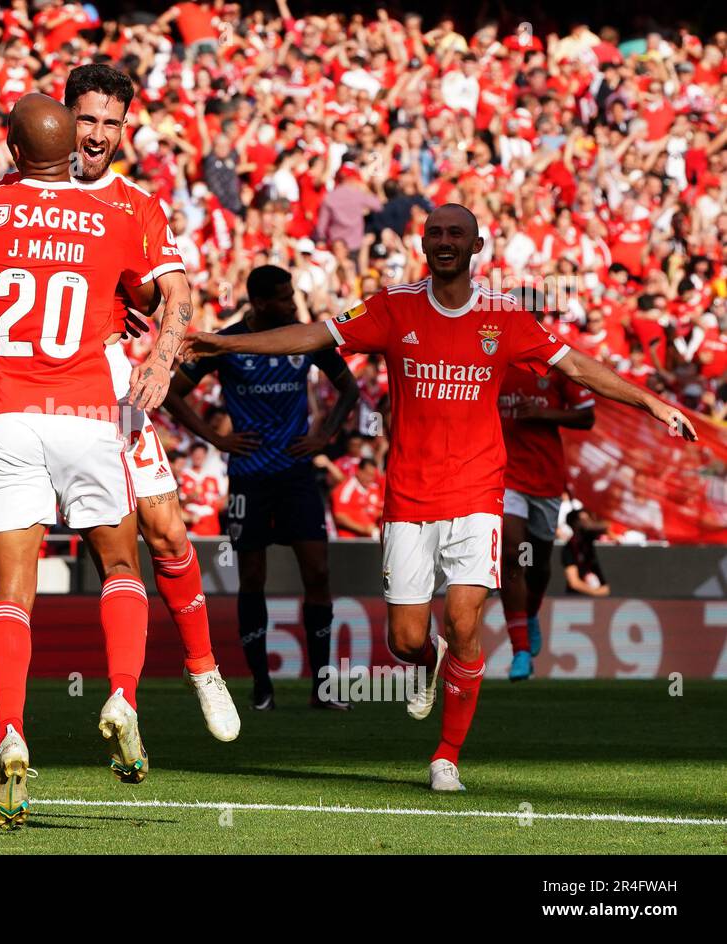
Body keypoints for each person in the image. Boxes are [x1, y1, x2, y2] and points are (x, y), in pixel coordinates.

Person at [182, 203, 695, 791]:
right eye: (435, 233)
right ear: (423, 245)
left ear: (476, 247)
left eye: (456, 233)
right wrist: (225, 346)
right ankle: (427, 668)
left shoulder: (505, 317)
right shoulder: (391, 307)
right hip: (409, 497)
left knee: (464, 619)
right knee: (405, 641)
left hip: (478, 493)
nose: (444, 241)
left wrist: (653, 403)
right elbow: (313, 334)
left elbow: (577, 366)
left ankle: (446, 756)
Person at [0, 63, 238, 745]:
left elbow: (176, 295)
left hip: (114, 389)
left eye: (110, 122)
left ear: (124, 129)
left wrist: (158, 359)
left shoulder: (134, 205)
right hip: (55, 396)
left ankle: (204, 670)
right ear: (65, 124)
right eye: (87, 119)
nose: (97, 134)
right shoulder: (9, 194)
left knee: (166, 533)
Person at [0, 93, 167, 828]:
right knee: (122, 566)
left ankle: (11, 733)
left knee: (8, 588)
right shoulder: (113, 217)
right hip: (84, 411)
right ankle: (123, 693)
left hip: (7, 415)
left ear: (12, 151)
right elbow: (145, 294)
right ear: (73, 146)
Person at [168, 265, 360, 710]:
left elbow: (348, 389)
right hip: (249, 476)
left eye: (291, 295)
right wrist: (215, 437)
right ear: (257, 302)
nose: (292, 304)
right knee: (252, 577)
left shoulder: (305, 337)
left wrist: (324, 434)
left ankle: (322, 689)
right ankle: (261, 686)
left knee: (318, 573)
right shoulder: (226, 343)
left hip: (296, 474)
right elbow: (174, 393)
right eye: (281, 297)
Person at [498, 306, 595, 680]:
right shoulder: (493, 359)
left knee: (538, 566)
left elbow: (587, 416)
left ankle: (531, 613)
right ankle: (520, 650)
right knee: (512, 554)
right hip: (505, 475)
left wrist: (541, 415)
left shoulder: (557, 360)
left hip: (546, 478)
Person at [562, 508, 610, 596]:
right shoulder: (569, 549)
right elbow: (574, 582)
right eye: (583, 520)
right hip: (577, 599)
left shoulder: (590, 541)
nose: (588, 523)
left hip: (599, 598)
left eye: (588, 519)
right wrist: (596, 592)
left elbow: (606, 526)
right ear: (575, 524)